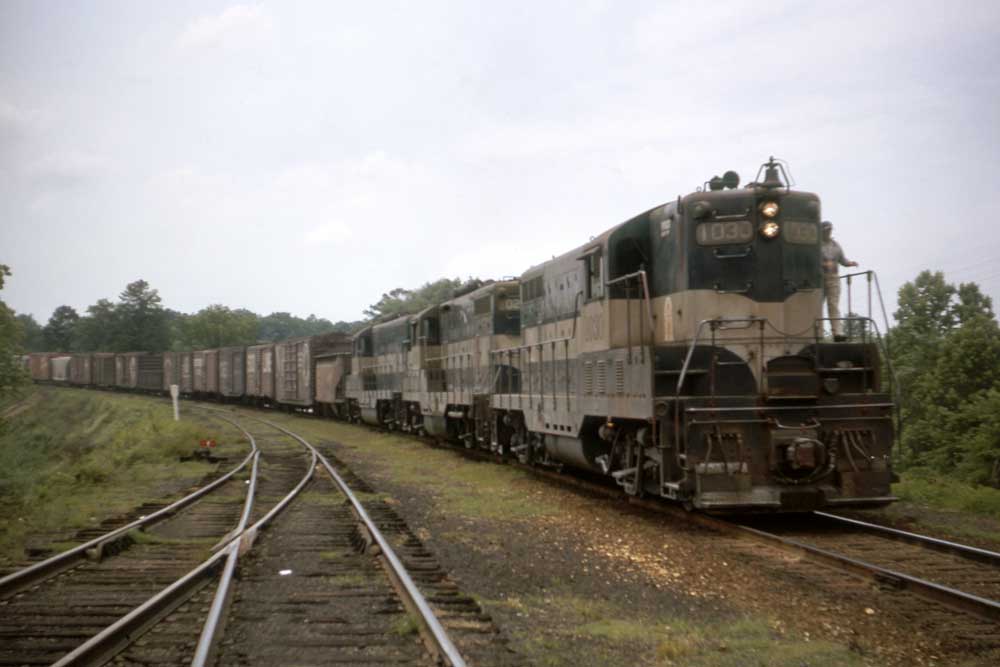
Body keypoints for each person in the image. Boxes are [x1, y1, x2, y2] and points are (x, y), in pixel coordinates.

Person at [821, 221, 858, 341]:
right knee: (816, 305)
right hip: (819, 280)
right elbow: (811, 261)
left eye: (829, 230)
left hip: (833, 278)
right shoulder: (815, 245)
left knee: (833, 305)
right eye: (826, 230)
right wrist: (824, 264)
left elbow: (842, 260)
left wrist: (850, 263)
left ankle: (837, 332)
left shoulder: (836, 246)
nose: (828, 232)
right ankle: (815, 330)